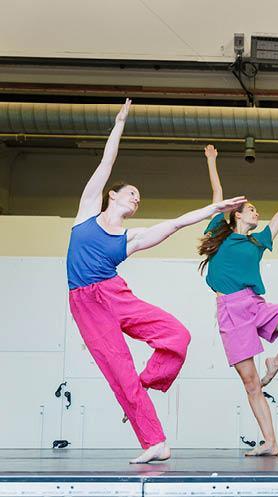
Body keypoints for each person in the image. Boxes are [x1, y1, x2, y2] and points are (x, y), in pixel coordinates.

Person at [66, 99, 245, 463]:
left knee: (177, 335)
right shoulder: (86, 211)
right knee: (118, 372)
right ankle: (155, 443)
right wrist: (119, 122)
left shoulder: (130, 239)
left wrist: (213, 209)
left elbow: (176, 223)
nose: (136, 197)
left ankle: (146, 381)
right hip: (85, 304)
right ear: (112, 195)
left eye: (139, 197)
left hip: (114, 293)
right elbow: (106, 162)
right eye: (131, 192)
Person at [198, 144, 278, 456]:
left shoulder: (258, 241)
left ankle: (276, 361)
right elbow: (217, 196)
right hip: (230, 310)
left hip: (255, 304)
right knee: (252, 384)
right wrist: (212, 160)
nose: (256, 212)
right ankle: (270, 442)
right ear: (237, 214)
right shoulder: (221, 232)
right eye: (251, 209)